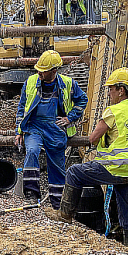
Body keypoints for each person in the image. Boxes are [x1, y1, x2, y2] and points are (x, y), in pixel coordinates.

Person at [45, 67, 128, 251]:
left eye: (111, 88)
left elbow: (93, 138)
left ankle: (65, 215)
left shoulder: (114, 111)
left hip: (115, 167)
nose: (109, 93)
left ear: (121, 90)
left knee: (74, 172)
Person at [14, 50, 88, 210]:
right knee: (32, 151)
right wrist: (19, 130)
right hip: (34, 126)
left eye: (43, 70)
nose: (39, 72)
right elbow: (22, 108)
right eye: (38, 69)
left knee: (56, 165)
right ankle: (32, 195)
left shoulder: (68, 84)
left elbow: (83, 99)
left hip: (55, 128)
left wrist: (70, 118)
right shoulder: (31, 82)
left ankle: (58, 204)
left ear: (54, 71)